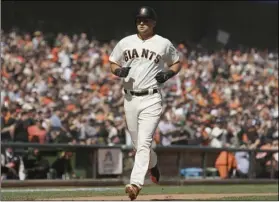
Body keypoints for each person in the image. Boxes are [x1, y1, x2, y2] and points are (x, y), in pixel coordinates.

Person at [109, 6, 181, 200]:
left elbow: (176, 62)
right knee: (138, 145)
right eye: (139, 20)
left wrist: (169, 73)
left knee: (144, 142)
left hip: (151, 98)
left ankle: (135, 184)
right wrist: (117, 71)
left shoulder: (163, 43)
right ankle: (153, 163)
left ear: (153, 23)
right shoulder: (125, 42)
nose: (142, 23)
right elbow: (113, 62)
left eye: (146, 20)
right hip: (130, 98)